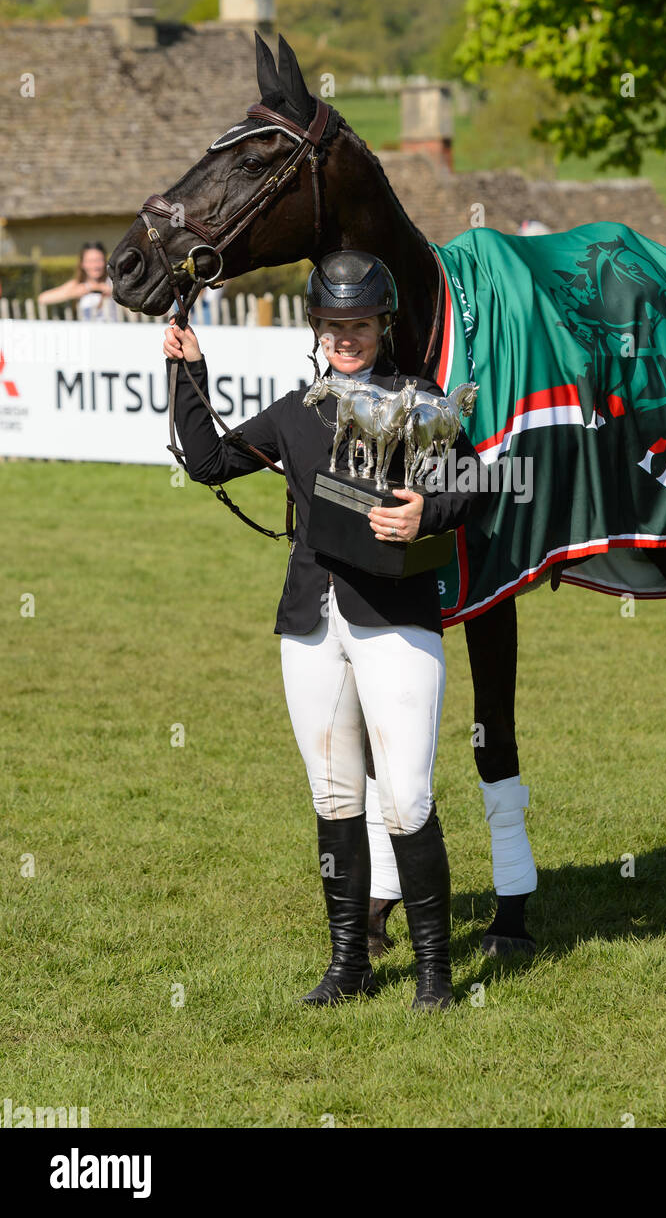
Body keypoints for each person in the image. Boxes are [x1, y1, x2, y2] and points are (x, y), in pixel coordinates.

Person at [162, 250, 482, 1012]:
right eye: (334, 325)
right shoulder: (295, 412)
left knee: (404, 795)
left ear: (383, 326)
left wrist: (425, 511)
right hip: (310, 619)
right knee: (334, 795)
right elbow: (207, 461)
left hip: (396, 619)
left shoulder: (422, 400)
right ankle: (348, 966)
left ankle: (435, 976)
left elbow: (474, 485)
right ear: (316, 326)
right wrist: (188, 372)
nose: (347, 337)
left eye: (360, 325)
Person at [38, 241, 120, 320]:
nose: (95, 265)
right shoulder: (78, 284)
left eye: (99, 260)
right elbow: (42, 298)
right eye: (90, 261)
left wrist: (116, 294)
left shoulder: (113, 283)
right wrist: (73, 293)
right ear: (82, 264)